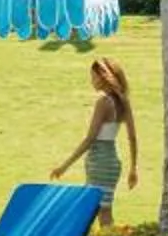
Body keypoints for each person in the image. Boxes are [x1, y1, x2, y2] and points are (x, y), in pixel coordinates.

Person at [51, 57, 140, 223]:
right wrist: (133, 168)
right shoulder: (123, 102)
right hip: (113, 161)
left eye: (93, 76)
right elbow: (132, 137)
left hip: (99, 161)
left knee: (100, 212)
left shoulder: (103, 103)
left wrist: (64, 166)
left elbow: (90, 139)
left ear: (103, 77)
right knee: (103, 210)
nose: (92, 81)